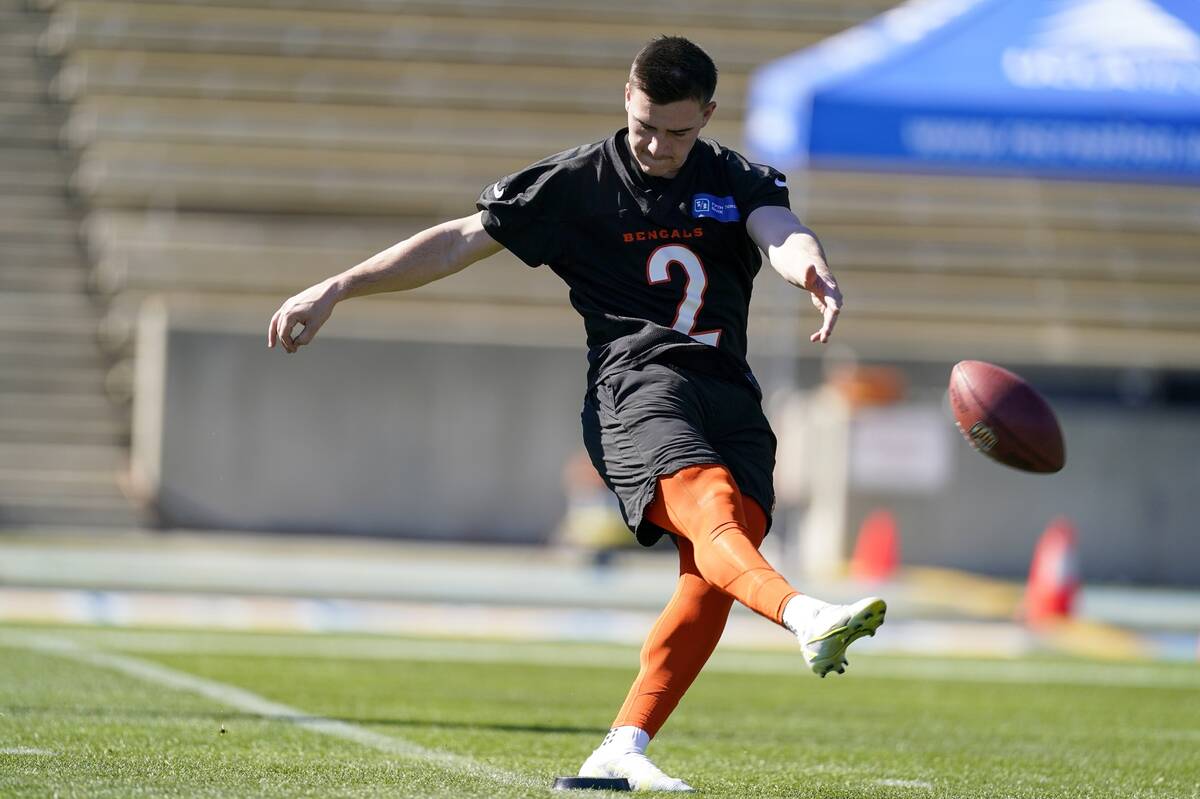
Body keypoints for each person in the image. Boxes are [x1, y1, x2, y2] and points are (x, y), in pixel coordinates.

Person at [268, 36, 886, 792]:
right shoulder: (577, 181)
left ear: (710, 117)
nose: (657, 146)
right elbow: (460, 241)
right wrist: (337, 285)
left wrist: (811, 267)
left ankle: (621, 746)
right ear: (627, 97)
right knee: (714, 506)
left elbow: (778, 230)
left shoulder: (735, 177)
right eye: (644, 126)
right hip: (636, 384)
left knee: (713, 573)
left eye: (678, 132)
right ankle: (803, 615)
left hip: (729, 388)